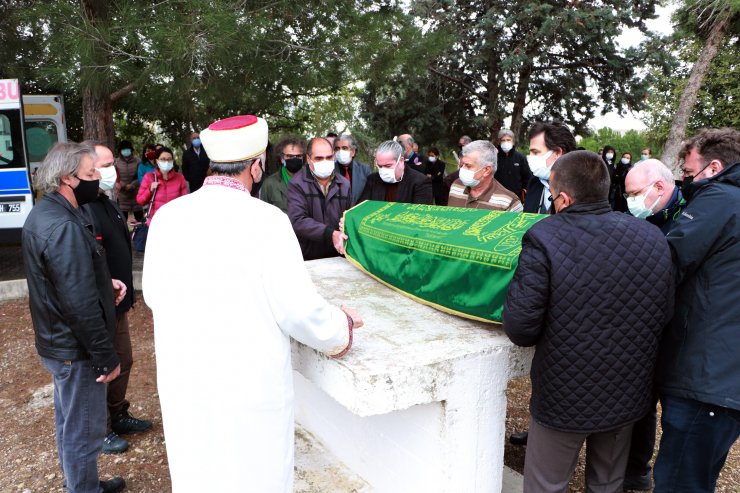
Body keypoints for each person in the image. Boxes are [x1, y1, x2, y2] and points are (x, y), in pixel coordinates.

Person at [142, 114, 362, 493]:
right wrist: (339, 325)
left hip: (188, 377)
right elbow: (298, 310)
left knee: (199, 470)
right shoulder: (266, 221)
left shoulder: (168, 217)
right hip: (246, 385)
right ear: (258, 165)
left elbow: (153, 294)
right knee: (253, 474)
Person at [503, 150, 674, 493]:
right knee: (607, 483)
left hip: (564, 397)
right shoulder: (652, 236)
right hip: (627, 390)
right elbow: (665, 311)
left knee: (546, 484)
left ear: (563, 198)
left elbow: (521, 328)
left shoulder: (545, 237)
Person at [22, 142, 127, 493]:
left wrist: (102, 283)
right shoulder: (62, 225)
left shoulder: (49, 213)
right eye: (91, 173)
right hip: (75, 348)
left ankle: (83, 483)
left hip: (59, 342)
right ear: (67, 178)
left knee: (71, 423)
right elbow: (77, 302)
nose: (98, 179)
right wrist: (104, 356)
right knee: (83, 427)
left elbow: (63, 279)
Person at [653, 128, 740, 493]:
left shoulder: (720, 198)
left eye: (688, 173)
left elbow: (667, 262)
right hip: (724, 375)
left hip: (704, 377)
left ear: (714, 167)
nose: (684, 180)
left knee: (680, 482)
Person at [81, 142, 153, 456]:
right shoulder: (84, 207)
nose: (112, 170)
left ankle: (118, 413)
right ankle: (102, 428)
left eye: (112, 163)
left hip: (118, 303)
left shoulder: (106, 200)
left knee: (123, 360)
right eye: (105, 164)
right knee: (103, 367)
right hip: (100, 305)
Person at [620, 158, 685, 491]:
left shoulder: (689, 216)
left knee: (672, 408)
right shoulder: (647, 216)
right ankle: (636, 468)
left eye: (634, 194)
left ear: (659, 187)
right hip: (644, 327)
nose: (630, 202)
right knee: (641, 404)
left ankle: (650, 470)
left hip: (678, 327)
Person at [287, 137, 352, 260]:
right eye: (319, 158)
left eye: (329, 157)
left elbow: (348, 218)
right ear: (308, 159)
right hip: (309, 257)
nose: (325, 161)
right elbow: (297, 220)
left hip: (338, 256)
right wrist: (330, 234)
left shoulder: (344, 184)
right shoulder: (297, 183)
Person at [447, 140, 523, 211]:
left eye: (468, 166)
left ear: (487, 170)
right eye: (462, 164)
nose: (462, 169)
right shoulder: (456, 186)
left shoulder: (509, 202)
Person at [522, 121, 577, 214]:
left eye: (535, 152)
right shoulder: (534, 183)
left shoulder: (581, 189)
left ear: (557, 153)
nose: (529, 157)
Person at [359, 140, 433, 205]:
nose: (383, 170)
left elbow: (421, 215)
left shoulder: (420, 182)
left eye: (388, 166)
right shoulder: (373, 179)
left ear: (401, 161)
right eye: (380, 166)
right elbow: (361, 209)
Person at [136, 147, 188, 225]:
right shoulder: (149, 177)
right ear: (157, 161)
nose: (166, 161)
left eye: (169, 159)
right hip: (155, 223)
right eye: (163, 159)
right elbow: (140, 200)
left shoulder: (179, 178)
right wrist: (150, 190)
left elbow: (185, 201)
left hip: (175, 221)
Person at [260, 136, 306, 213]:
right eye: (289, 156)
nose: (294, 159)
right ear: (282, 158)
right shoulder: (269, 184)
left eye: (298, 156)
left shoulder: (313, 180)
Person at [334, 134, 372, 204]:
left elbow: (370, 194)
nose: (340, 151)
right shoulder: (331, 170)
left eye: (344, 148)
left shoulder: (365, 170)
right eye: (337, 149)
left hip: (359, 212)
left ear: (353, 152)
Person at [494, 129, 532, 200]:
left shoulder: (520, 157)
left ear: (513, 141)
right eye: (503, 140)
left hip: (516, 197)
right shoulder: (494, 157)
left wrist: (526, 194)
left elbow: (527, 177)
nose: (506, 142)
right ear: (499, 142)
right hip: (497, 196)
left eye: (508, 140)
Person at [114, 140, 142, 224]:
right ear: (120, 151)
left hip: (136, 195)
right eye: (123, 149)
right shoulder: (116, 162)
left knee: (140, 220)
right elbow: (115, 177)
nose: (126, 151)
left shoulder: (138, 161)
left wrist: (132, 185)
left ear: (131, 150)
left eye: (127, 149)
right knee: (122, 221)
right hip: (123, 196)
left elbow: (141, 177)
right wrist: (122, 185)